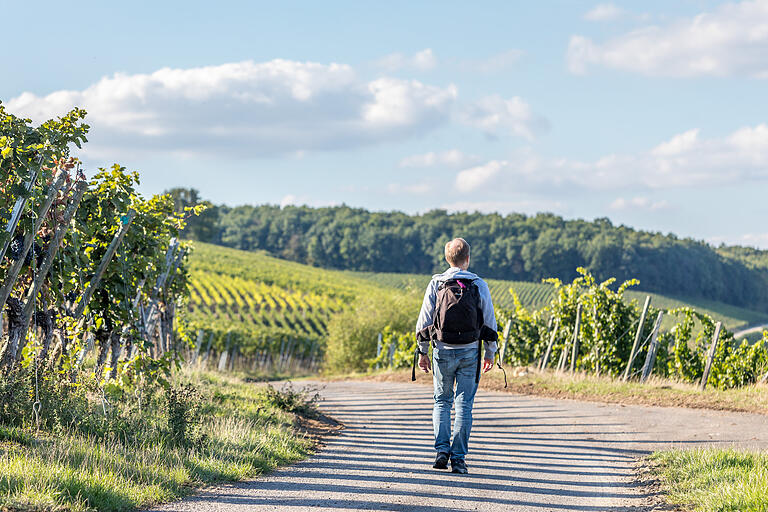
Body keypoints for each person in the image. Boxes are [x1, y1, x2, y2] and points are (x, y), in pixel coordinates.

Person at [415, 238, 497, 474]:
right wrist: (490, 352)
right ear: (468, 259)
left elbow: (424, 321)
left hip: (442, 349)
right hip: (470, 351)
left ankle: (441, 451)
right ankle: (458, 459)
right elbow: (489, 321)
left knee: (442, 401)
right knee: (464, 405)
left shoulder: (437, 283)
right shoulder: (479, 284)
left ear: (446, 259)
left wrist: (422, 352)